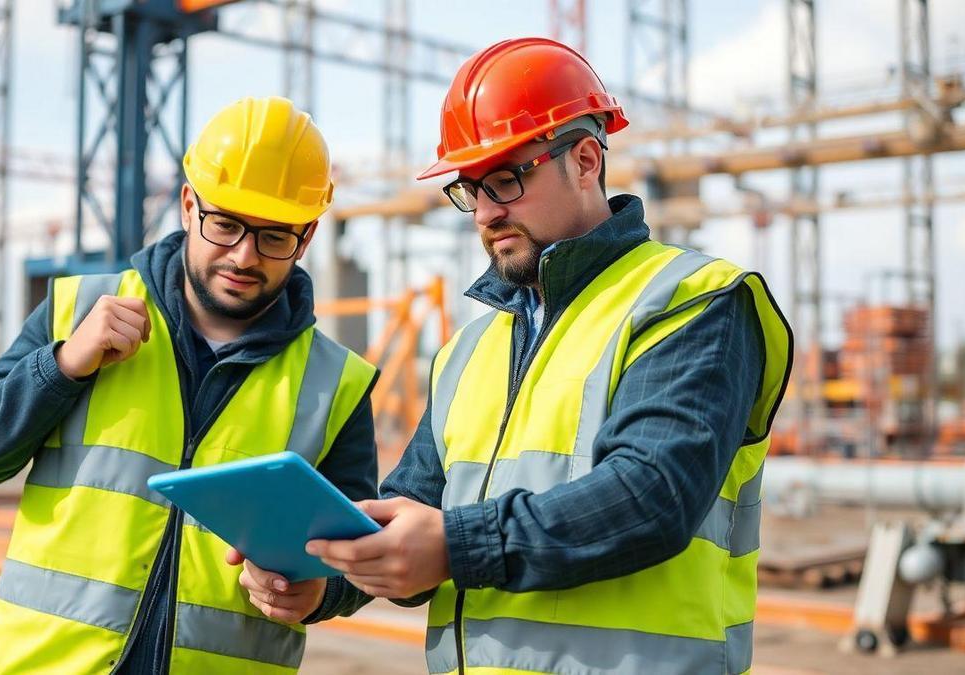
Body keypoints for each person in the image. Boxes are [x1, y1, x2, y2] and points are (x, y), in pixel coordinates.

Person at [303, 37, 794, 674]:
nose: (485, 212)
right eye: (469, 189)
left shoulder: (693, 302)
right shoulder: (467, 353)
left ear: (586, 159)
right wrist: (322, 579)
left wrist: (455, 546)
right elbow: (408, 516)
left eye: (505, 180)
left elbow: (651, 496)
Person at [0, 96, 380, 674]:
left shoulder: (335, 382)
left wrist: (324, 594)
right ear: (189, 204)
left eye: (275, 236)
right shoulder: (78, 314)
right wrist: (62, 365)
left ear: (309, 234)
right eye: (225, 224)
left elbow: (361, 555)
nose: (244, 255)